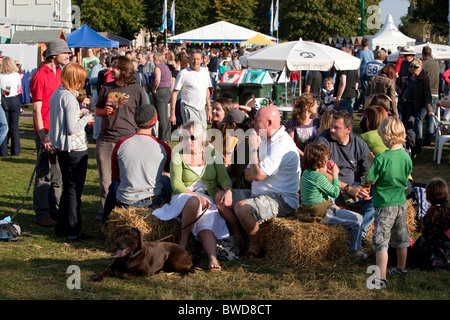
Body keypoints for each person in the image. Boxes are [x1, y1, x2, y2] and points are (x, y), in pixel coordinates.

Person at [218, 105, 301, 258]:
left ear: (269, 123)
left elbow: (258, 175)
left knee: (243, 208)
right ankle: (241, 240)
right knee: (220, 198)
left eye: (256, 120)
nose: (253, 123)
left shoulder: (281, 143)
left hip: (281, 199)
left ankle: (255, 247)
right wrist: (255, 169)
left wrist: (253, 151)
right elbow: (248, 175)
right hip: (258, 194)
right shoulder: (263, 139)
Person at [152, 121, 232, 271]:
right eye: (185, 137)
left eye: (193, 137)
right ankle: (183, 244)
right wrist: (196, 195)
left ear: (201, 138)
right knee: (195, 201)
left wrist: (228, 190)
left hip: (207, 197)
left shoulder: (212, 154)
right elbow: (176, 185)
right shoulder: (178, 155)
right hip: (183, 195)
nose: (189, 141)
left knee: (206, 223)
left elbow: (223, 177)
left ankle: (212, 257)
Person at [95, 56, 148, 219]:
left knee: (128, 178)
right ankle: (106, 213)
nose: (111, 70)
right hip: (106, 139)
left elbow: (145, 115)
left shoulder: (137, 90)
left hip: (128, 141)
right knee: (106, 180)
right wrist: (105, 112)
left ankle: (125, 211)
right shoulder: (106, 87)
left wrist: (143, 139)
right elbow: (97, 110)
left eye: (115, 67)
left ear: (125, 71)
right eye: (111, 66)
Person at [102, 104, 173, 224]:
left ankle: (106, 221)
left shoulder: (121, 144)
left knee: (114, 185)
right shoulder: (163, 147)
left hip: (125, 201)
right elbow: (170, 170)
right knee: (166, 180)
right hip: (153, 201)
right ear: (155, 120)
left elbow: (116, 176)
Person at [49, 62, 94, 240]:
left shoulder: (57, 94)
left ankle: (63, 227)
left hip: (62, 147)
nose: (82, 84)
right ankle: (73, 230)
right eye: (81, 80)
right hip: (74, 148)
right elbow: (73, 128)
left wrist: (80, 115)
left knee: (69, 189)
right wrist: (87, 118)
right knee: (75, 191)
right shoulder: (68, 97)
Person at [366, 117, 413, 289]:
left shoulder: (381, 159)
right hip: (401, 202)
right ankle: (401, 268)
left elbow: (371, 180)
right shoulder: (406, 156)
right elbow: (407, 174)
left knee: (381, 241)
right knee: (402, 238)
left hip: (384, 204)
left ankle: (381, 278)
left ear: (386, 136)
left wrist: (371, 163)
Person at [30, 39, 71, 226]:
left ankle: (54, 209)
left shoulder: (60, 73)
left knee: (57, 174)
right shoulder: (40, 76)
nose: (68, 56)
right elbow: (37, 109)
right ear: (54, 55)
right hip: (46, 131)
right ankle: (42, 213)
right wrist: (43, 136)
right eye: (65, 54)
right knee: (44, 174)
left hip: (58, 131)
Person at [299, 142, 365, 257]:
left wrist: (326, 172)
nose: (328, 161)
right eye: (326, 159)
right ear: (319, 161)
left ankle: (346, 243)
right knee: (357, 220)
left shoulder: (307, 173)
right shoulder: (319, 177)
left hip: (309, 210)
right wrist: (335, 175)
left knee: (347, 218)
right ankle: (354, 252)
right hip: (321, 213)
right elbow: (335, 192)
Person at [315, 110, 374, 240]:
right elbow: (320, 174)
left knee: (379, 196)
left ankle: (358, 232)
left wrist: (367, 189)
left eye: (336, 127)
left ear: (348, 130)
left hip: (352, 189)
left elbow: (367, 174)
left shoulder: (359, 144)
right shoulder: (322, 141)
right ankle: (348, 231)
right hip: (329, 189)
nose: (331, 130)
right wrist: (348, 188)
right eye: (331, 126)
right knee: (324, 204)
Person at [399, 178, 449, 271]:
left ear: (427, 197)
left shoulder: (429, 217)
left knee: (397, 250)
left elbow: (426, 241)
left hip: (430, 258)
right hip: (446, 254)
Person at [170, 50, 212, 130]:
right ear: (189, 60)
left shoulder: (205, 72)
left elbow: (206, 90)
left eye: (197, 59)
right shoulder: (184, 73)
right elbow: (174, 94)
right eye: (193, 59)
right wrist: (172, 113)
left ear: (202, 60)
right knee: (193, 133)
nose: (195, 61)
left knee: (203, 133)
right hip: (188, 107)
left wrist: (209, 108)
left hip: (201, 108)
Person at [401, 59, 433, 158]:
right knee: (404, 126)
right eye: (412, 73)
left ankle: (416, 148)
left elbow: (427, 95)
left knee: (410, 128)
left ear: (419, 70)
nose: (413, 75)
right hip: (406, 103)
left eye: (415, 73)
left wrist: (430, 110)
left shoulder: (424, 79)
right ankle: (411, 147)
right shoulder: (411, 75)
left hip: (414, 105)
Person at [220, 109, 253, 190]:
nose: (226, 128)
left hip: (243, 187)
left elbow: (237, 172)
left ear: (233, 125)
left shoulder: (245, 143)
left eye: (227, 125)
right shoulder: (242, 140)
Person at [285, 93, 320, 157]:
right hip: (298, 156)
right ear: (307, 106)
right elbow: (290, 144)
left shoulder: (316, 120)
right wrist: (303, 155)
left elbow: (319, 140)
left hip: (313, 155)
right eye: (315, 104)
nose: (317, 106)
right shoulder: (293, 122)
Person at [0, 56, 22, 157]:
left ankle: (3, 151)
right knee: (14, 127)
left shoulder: (0, 75)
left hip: (4, 100)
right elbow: (18, 88)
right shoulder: (16, 75)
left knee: (4, 127)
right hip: (14, 99)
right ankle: (16, 151)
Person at [420, 46, 441, 146]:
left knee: (420, 118)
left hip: (426, 93)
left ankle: (419, 140)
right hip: (435, 92)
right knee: (431, 118)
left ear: (423, 54)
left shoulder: (423, 64)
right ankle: (428, 140)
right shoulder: (436, 65)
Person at [152, 51, 172, 142]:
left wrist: (154, 89)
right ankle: (167, 136)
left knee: (161, 116)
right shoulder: (167, 67)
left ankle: (162, 137)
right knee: (165, 116)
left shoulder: (158, 67)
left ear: (157, 60)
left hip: (161, 91)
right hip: (167, 90)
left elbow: (157, 79)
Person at [210, 97, 236, 166]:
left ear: (226, 113)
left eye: (217, 109)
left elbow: (227, 161)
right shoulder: (213, 131)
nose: (213, 111)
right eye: (213, 108)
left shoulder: (230, 133)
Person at [334, 47, 359, 114]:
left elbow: (343, 82)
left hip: (343, 96)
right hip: (352, 95)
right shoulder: (354, 67)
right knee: (349, 117)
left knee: (340, 117)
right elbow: (357, 83)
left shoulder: (343, 67)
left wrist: (338, 97)